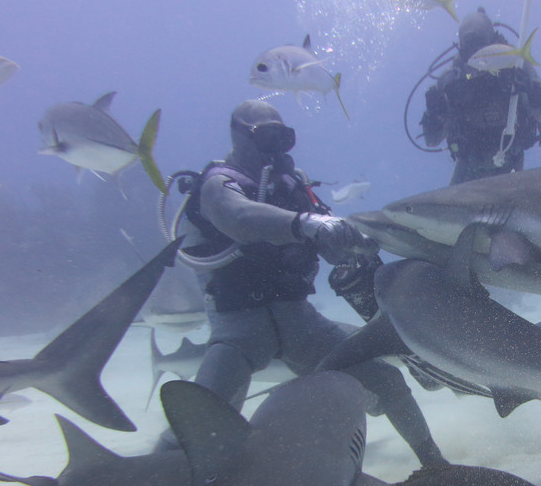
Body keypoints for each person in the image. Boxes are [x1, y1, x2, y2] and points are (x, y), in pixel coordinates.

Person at [170, 99, 446, 467]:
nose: (275, 148)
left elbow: (331, 249)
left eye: (282, 137)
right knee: (202, 424)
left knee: (388, 381)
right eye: (265, 137)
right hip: (239, 330)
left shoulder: (293, 186)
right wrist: (304, 224)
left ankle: (436, 465)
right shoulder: (219, 183)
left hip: (300, 322)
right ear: (238, 137)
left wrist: (351, 243)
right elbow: (236, 217)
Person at [420, 7, 541, 185]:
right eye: (468, 47)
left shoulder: (515, 67)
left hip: (510, 159)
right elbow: (432, 140)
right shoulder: (451, 80)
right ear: (460, 47)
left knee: (510, 212)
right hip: (468, 162)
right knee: (450, 211)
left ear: (492, 42)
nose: (475, 54)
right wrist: (434, 114)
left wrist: (533, 91)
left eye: (479, 45)